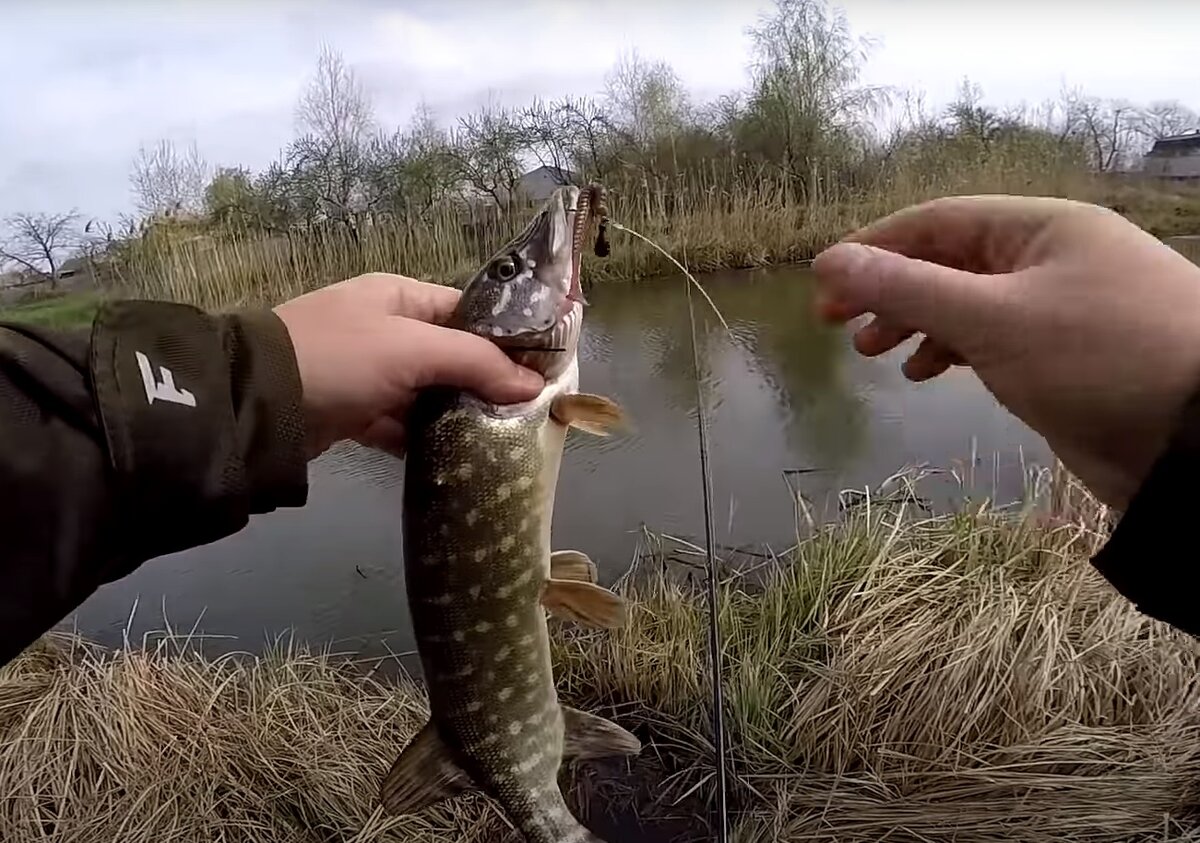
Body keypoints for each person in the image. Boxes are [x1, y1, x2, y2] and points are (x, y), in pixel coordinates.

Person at [0, 194, 1196, 669]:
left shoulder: (512, 384)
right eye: (524, 267)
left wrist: (242, 385)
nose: (551, 256)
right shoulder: (501, 387)